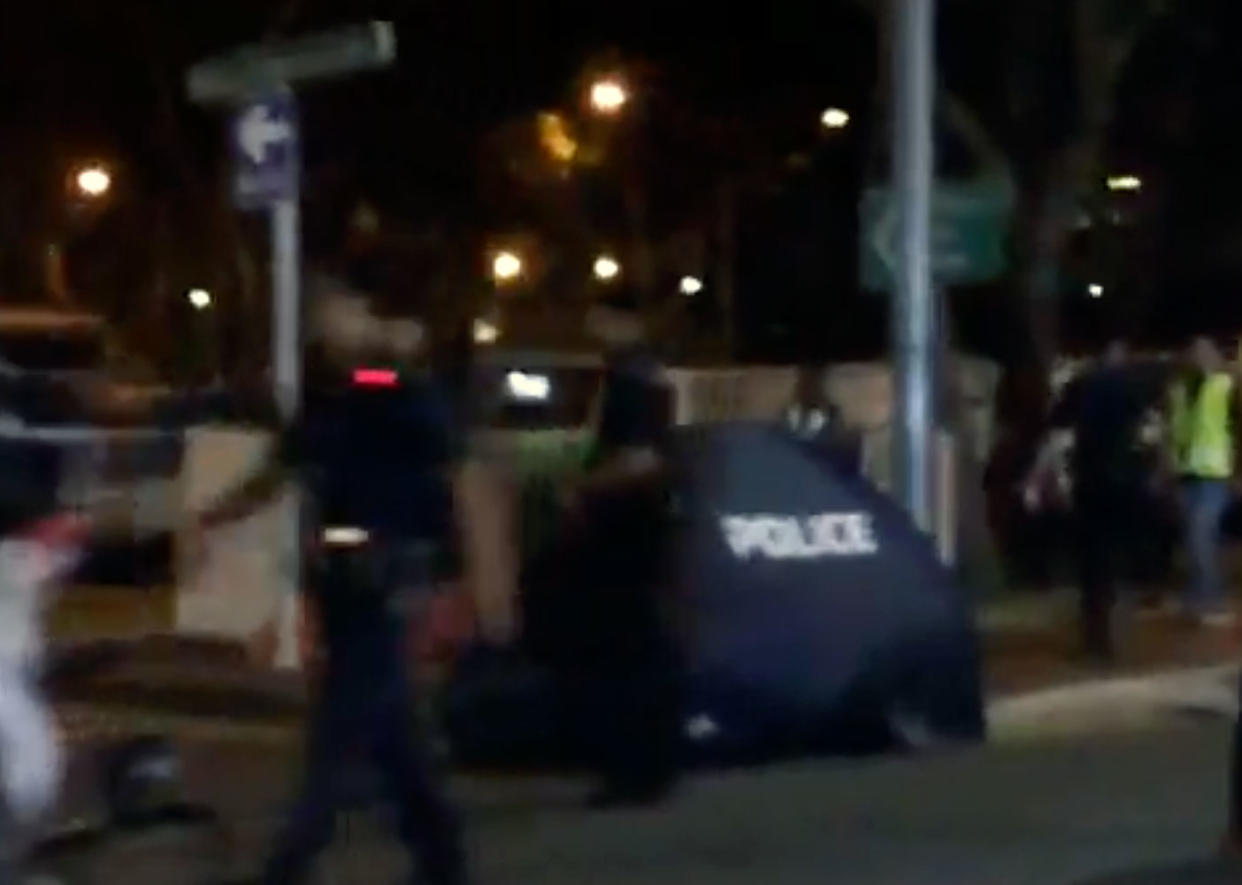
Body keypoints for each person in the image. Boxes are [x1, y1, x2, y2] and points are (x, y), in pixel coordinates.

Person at [192, 280, 510, 885]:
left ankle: (292, 859)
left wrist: (484, 580)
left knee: (342, 726)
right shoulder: (336, 399)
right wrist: (213, 518)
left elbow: (460, 474)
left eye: (340, 316)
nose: (327, 329)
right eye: (323, 321)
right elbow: (283, 467)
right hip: (345, 580)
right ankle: (441, 854)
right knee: (390, 733)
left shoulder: (394, 393)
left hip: (387, 576)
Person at [563, 296, 681, 807]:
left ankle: (632, 769)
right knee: (643, 644)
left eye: (601, 317)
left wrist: (581, 487)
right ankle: (650, 763)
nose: (591, 327)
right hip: (643, 526)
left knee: (624, 648)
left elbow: (638, 460)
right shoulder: (649, 375)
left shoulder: (630, 380)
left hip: (624, 528)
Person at [1046, 339, 1148, 661]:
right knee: (1119, 561)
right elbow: (1146, 433)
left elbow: (1058, 423)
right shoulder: (1133, 389)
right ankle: (1117, 637)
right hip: (1125, 483)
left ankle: (1097, 640)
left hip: (1092, 481)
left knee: (1093, 566)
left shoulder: (1082, 387)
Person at [1169, 336, 1239, 626]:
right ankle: (1198, 598)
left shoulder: (1224, 386)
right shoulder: (1182, 391)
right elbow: (1176, 432)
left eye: (1204, 351)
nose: (1198, 356)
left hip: (1214, 474)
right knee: (1196, 540)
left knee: (1200, 537)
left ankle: (1211, 600)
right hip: (1189, 473)